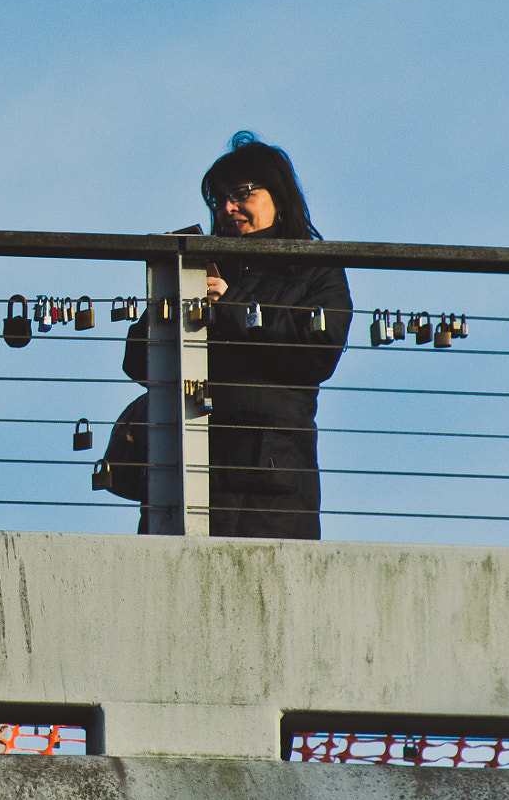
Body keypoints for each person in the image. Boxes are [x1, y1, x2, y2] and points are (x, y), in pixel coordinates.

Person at [120, 132, 350, 539]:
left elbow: (318, 353)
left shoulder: (314, 266)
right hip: (184, 471)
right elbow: (137, 362)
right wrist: (167, 298)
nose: (228, 208)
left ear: (277, 193)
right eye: (220, 199)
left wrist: (231, 306)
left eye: (242, 193)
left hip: (270, 485)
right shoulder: (201, 263)